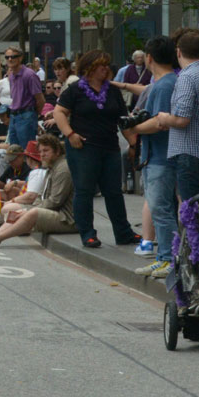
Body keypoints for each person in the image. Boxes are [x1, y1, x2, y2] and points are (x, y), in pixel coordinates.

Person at [53, 50, 140, 249]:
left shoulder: (113, 91)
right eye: (101, 65)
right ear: (89, 68)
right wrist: (70, 134)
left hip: (109, 147)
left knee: (113, 192)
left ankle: (123, 232)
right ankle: (88, 233)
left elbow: (122, 121)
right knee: (84, 190)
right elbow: (59, 112)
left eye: (107, 65)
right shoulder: (75, 90)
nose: (106, 69)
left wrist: (133, 143)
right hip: (83, 147)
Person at [126, 36, 180, 278]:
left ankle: (168, 259)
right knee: (161, 208)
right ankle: (163, 258)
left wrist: (134, 128)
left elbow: (158, 122)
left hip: (161, 157)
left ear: (149, 58)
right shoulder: (167, 82)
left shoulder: (163, 85)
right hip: (158, 156)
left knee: (161, 209)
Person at [0, 134, 76, 247]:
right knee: (16, 213)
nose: (42, 155)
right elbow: (42, 196)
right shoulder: (53, 167)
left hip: (67, 219)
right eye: (40, 151)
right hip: (56, 212)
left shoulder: (62, 170)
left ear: (57, 151)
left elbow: (55, 201)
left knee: (32, 213)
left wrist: (29, 210)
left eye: (46, 151)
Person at [152, 29, 199, 202]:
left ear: (178, 52)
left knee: (190, 211)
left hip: (190, 154)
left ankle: (192, 231)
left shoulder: (186, 77)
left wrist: (164, 118)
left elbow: (182, 118)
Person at [4, 48, 45, 148]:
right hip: (14, 116)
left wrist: (33, 115)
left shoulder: (29, 75)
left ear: (20, 58)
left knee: (26, 150)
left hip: (26, 115)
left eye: (13, 56)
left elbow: (40, 100)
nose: (10, 59)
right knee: (14, 151)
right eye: (7, 57)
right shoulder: (11, 75)